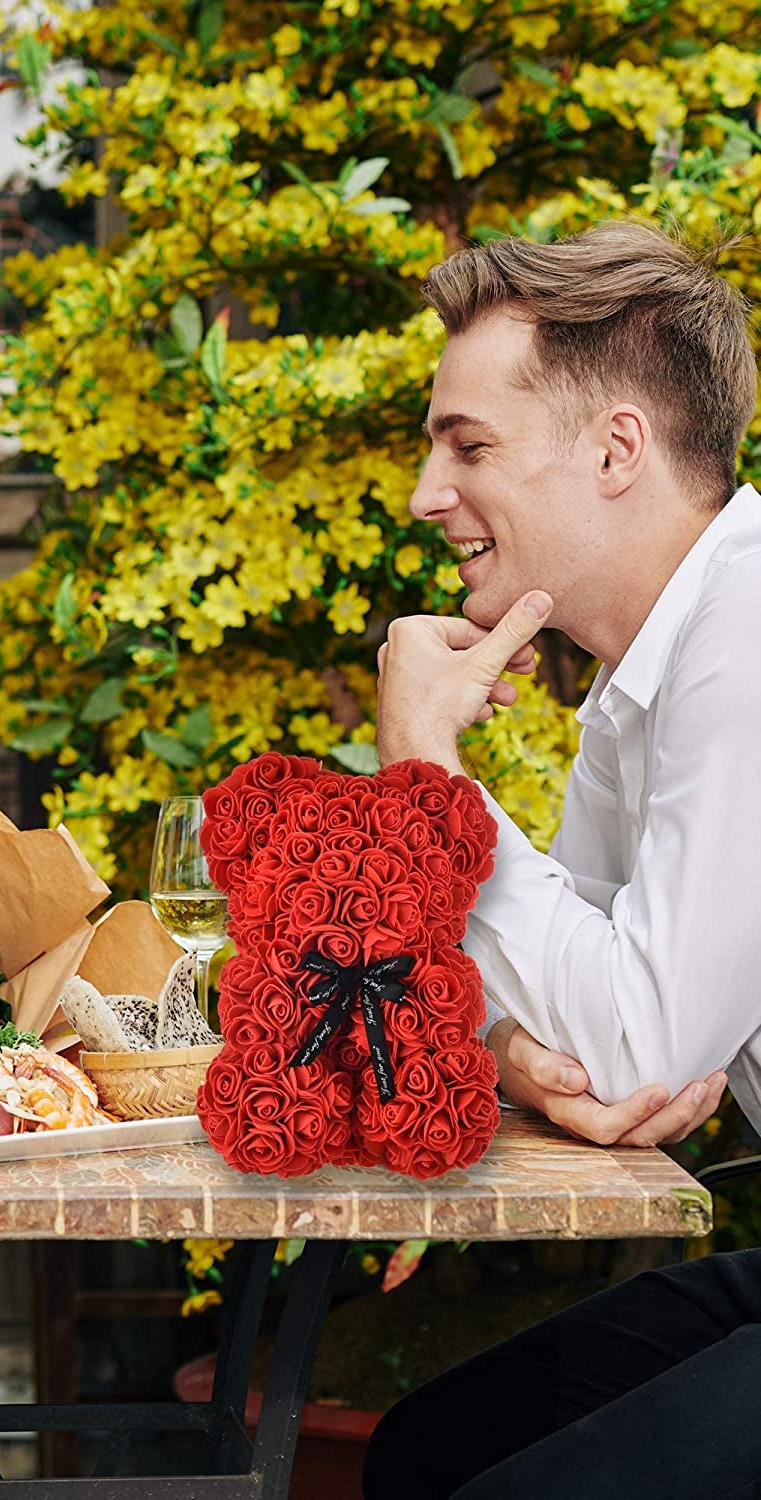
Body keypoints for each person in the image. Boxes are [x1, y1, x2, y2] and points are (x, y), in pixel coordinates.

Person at [361, 219, 761, 1497]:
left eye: (467, 445)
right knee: (425, 1457)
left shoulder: (747, 641)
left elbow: (634, 1036)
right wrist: (516, 1061)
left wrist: (428, 766)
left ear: (615, 447)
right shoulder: (647, 675)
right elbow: (567, 1005)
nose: (429, 494)